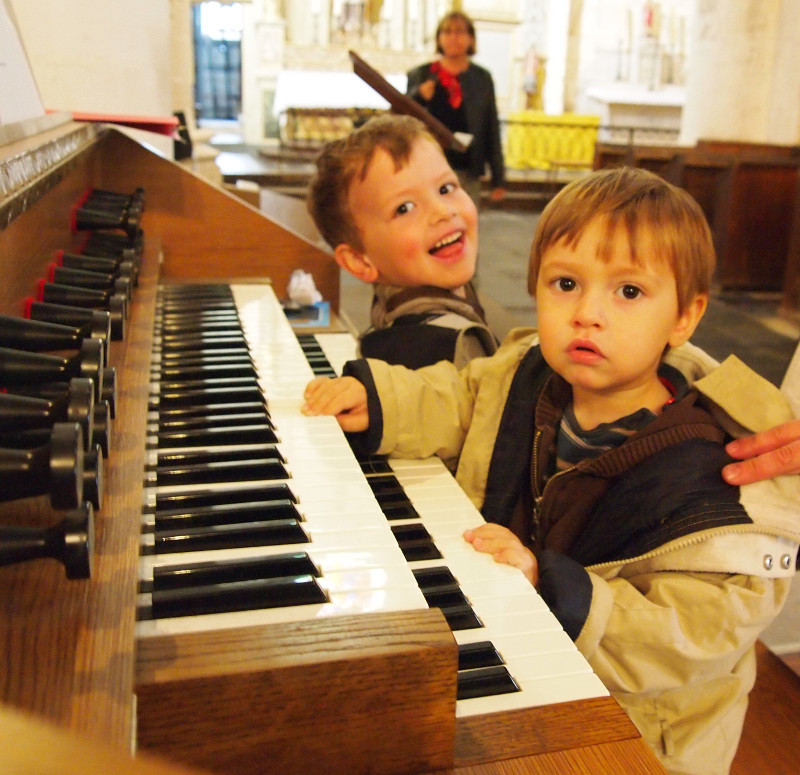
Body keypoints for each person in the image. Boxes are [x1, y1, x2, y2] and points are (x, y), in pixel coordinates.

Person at [302, 166, 799, 775]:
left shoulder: (722, 473)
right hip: (521, 650)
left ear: (685, 317)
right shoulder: (527, 371)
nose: (588, 313)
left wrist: (554, 587)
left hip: (643, 728)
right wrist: (380, 401)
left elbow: (696, 634)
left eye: (629, 292)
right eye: (565, 283)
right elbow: (462, 396)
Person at [307, 113, 498, 369]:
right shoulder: (437, 351)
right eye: (405, 208)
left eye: (445, 188)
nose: (442, 211)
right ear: (359, 261)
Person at [406, 10, 505, 207]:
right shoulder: (421, 74)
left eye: (460, 32)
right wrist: (418, 96)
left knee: (465, 225)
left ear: (471, 39)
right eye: (447, 32)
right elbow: (401, 119)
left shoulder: (482, 77)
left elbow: (491, 127)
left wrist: (498, 177)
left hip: (468, 167)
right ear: (438, 38)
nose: (453, 38)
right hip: (427, 168)